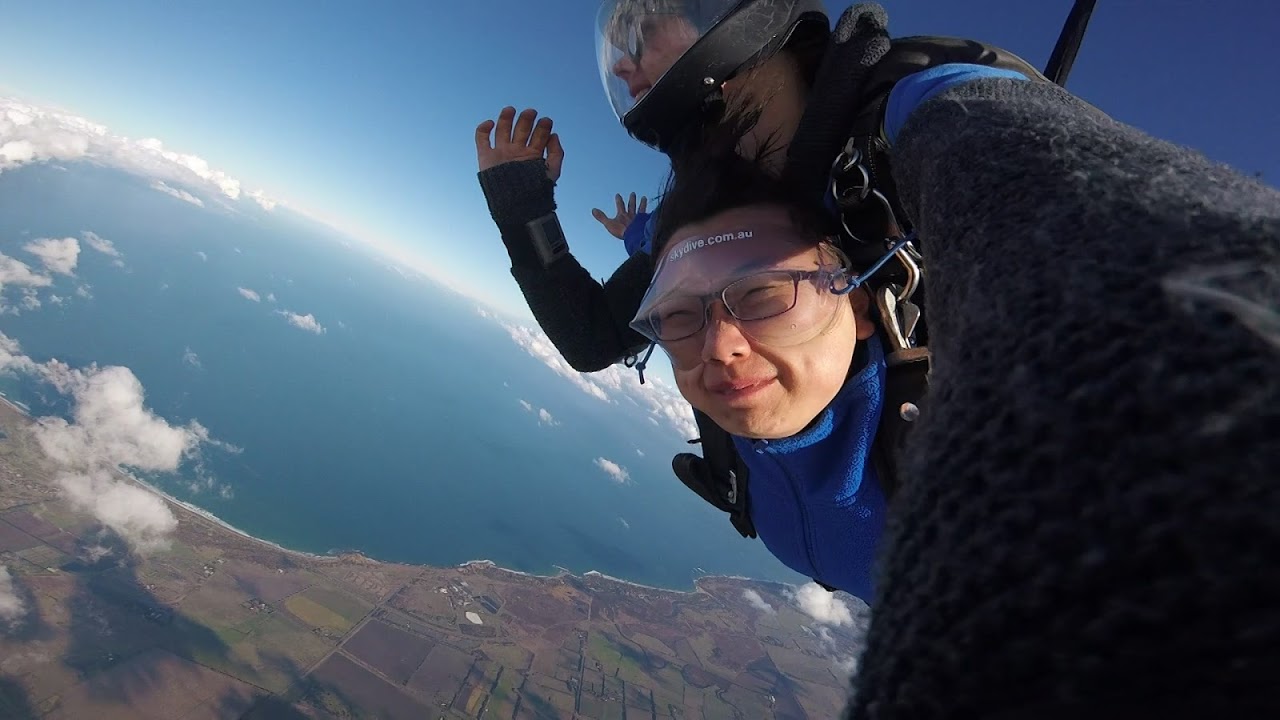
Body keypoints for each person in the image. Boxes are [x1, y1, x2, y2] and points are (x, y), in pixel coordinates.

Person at [635, 25, 1280, 720]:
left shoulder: (965, 459)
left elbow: (1077, 212)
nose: (720, 345)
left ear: (860, 306)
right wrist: (547, 209)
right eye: (678, 318)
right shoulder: (698, 305)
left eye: (762, 295)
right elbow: (662, 269)